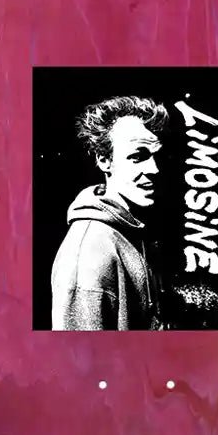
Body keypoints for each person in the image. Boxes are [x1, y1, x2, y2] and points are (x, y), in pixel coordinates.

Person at [51, 95, 168, 330]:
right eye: (137, 157)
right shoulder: (89, 255)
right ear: (104, 160)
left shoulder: (132, 228)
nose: (154, 169)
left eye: (157, 156)